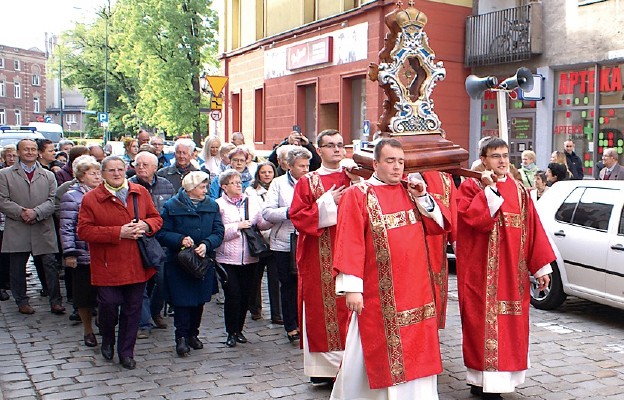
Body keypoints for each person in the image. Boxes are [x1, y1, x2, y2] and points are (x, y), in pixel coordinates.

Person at [330, 138, 450, 399]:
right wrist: (352, 288)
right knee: (372, 351)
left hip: (417, 291)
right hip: (378, 293)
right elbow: (349, 241)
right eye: (390, 161)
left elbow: (439, 225)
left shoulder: (412, 190)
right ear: (375, 163)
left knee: (419, 353)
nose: (397, 168)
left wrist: (423, 197)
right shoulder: (358, 194)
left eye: (401, 162)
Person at [455, 137, 555, 399]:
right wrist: (489, 190)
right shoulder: (470, 187)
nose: (501, 161)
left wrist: (541, 267)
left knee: (510, 329)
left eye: (505, 155)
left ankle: (498, 382)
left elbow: (533, 229)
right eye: (495, 155)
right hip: (481, 275)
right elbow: (473, 221)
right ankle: (481, 382)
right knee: (480, 327)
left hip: (512, 275)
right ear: (484, 159)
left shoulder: (520, 191)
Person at [77, 155, 163, 370]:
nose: (116, 173)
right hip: (107, 264)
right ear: (102, 174)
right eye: (111, 170)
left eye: (120, 169)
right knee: (108, 306)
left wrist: (145, 225)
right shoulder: (91, 198)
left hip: (136, 262)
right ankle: (107, 337)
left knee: (132, 310)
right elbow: (84, 231)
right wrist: (118, 232)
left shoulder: (139, 192)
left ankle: (126, 351)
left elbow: (156, 218)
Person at [290, 129, 360, 384]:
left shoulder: (354, 177)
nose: (337, 149)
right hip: (318, 254)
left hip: (350, 252)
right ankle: (323, 370)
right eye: (330, 145)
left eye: (340, 145)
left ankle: (350, 367)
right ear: (319, 151)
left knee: (350, 309)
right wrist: (328, 201)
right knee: (321, 309)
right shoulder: (307, 182)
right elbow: (298, 217)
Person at [157, 171, 224, 356]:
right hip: (180, 262)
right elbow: (161, 233)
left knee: (199, 301)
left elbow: (218, 231)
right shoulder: (172, 206)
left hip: (203, 261)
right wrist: (179, 240)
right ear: (190, 188)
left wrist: (206, 244)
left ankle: (194, 334)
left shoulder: (211, 205)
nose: (206, 190)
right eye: (202, 187)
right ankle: (181, 337)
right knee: (181, 302)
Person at [0, 139, 65, 315]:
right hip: (17, 226)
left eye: (33, 149)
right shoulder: (5, 174)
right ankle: (22, 301)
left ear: (38, 152)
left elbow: (52, 201)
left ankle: (55, 301)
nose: (29, 152)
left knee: (50, 265)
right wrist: (22, 212)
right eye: (25, 149)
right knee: (17, 267)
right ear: (18, 152)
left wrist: (36, 212)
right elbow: (2, 200)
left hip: (42, 226)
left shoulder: (48, 175)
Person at [215, 169, 272, 348]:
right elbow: (217, 233)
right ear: (224, 187)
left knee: (246, 296)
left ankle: (239, 330)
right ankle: (230, 331)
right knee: (233, 295)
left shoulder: (251, 202)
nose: (239, 185)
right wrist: (237, 227)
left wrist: (273, 217)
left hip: (250, 257)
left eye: (240, 182)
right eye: (234, 182)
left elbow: (261, 223)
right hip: (227, 258)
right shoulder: (217, 205)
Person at [262, 147, 311, 344]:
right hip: (284, 242)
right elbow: (267, 212)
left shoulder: (312, 181)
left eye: (307, 165)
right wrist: (292, 212)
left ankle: (306, 323)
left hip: (308, 240)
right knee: (289, 284)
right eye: (301, 166)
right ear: (290, 166)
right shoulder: (278, 184)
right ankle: (291, 325)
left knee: (306, 285)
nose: (306, 170)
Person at [130, 151, 176, 339]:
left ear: (155, 168)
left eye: (145, 164)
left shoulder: (165, 184)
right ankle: (143, 321)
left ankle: (155, 311)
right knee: (140, 282)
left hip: (160, 240)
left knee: (162, 280)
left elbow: (171, 211)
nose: (141, 168)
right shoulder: (129, 185)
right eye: (138, 164)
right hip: (138, 240)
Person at [59, 155, 102, 348]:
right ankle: (88, 329)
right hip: (82, 252)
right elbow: (66, 227)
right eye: (92, 173)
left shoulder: (104, 193)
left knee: (105, 293)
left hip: (103, 252)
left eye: (99, 173)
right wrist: (69, 252)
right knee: (84, 295)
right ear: (81, 176)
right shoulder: (72, 196)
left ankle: (104, 322)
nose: (97, 177)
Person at [245, 161, 281, 324]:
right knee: (254, 277)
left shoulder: (280, 188)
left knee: (275, 278)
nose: (267, 175)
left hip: (275, 237)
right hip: (258, 238)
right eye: (263, 172)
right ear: (258, 174)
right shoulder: (250, 191)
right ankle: (255, 308)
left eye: (270, 172)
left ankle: (277, 313)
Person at [421, 170, 457, 329]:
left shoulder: (445, 179)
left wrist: (458, 246)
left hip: (435, 248)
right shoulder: (396, 174)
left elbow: (454, 215)